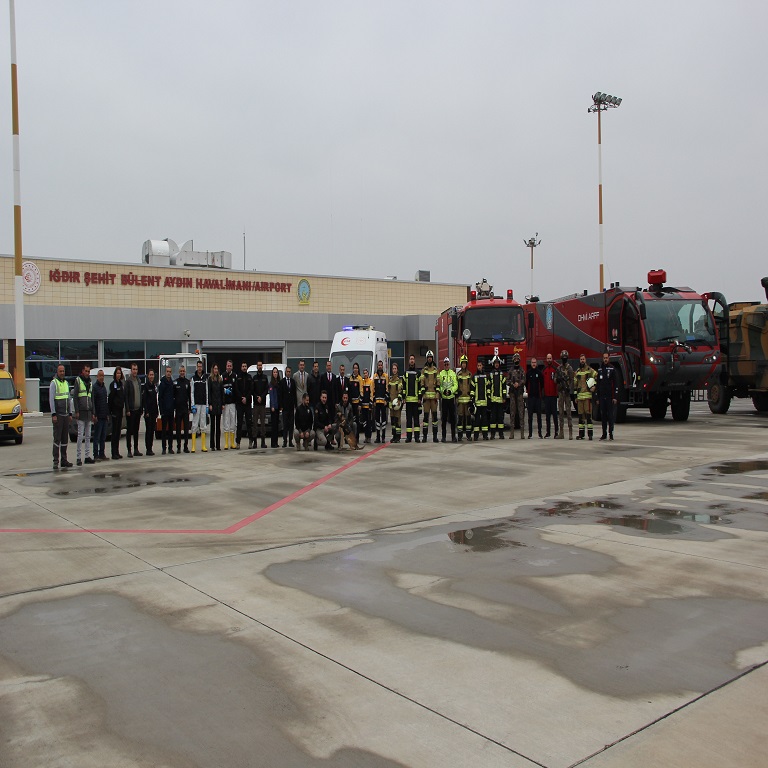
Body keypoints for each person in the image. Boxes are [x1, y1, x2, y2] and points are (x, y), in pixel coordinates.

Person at [50, 363, 74, 470]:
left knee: (65, 439)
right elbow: (51, 400)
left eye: (63, 371)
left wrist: (70, 413)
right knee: (57, 439)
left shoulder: (66, 383)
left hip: (65, 415)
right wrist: (53, 414)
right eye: (60, 371)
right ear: (57, 372)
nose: (62, 373)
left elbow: (68, 399)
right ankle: (56, 461)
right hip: (58, 415)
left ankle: (64, 460)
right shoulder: (54, 383)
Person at [74, 363, 96, 465]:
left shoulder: (90, 382)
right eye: (86, 371)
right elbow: (75, 397)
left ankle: (87, 456)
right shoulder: (78, 381)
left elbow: (91, 398)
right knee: (80, 436)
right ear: (82, 371)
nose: (87, 373)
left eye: (88, 371)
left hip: (88, 412)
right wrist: (77, 411)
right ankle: (78, 457)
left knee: (88, 436)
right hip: (81, 412)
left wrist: (93, 412)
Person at [574, 353, 598, 440]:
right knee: (580, 417)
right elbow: (575, 385)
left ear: (585, 360)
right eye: (581, 359)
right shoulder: (577, 372)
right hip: (580, 398)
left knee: (588, 416)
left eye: (583, 359)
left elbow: (597, 375)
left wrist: (594, 385)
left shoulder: (589, 370)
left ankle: (590, 434)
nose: (582, 361)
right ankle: (581, 434)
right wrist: (575, 397)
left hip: (587, 398)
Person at [596, 351, 619, 441]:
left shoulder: (612, 369)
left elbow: (616, 384)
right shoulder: (600, 370)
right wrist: (597, 398)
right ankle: (604, 434)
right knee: (603, 416)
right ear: (602, 358)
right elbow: (598, 385)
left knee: (610, 416)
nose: (605, 359)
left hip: (610, 397)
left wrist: (615, 397)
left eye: (606, 358)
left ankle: (611, 433)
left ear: (609, 359)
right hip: (602, 397)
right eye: (604, 358)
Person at [420, 350, 439, 443]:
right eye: (428, 357)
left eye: (431, 357)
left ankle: (435, 436)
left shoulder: (436, 370)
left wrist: (437, 394)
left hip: (434, 399)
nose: (430, 359)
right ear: (426, 358)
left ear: (432, 358)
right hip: (426, 399)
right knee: (426, 418)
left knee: (435, 418)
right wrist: (423, 395)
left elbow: (438, 383)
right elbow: (422, 383)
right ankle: (424, 436)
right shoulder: (424, 370)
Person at [124, 362, 143, 457]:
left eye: (136, 369)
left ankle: (136, 449)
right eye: (133, 369)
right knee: (129, 431)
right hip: (130, 411)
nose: (135, 371)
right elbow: (126, 397)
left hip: (137, 410)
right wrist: (127, 409)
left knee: (136, 431)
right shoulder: (128, 381)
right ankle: (129, 450)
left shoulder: (139, 381)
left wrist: (141, 408)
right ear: (131, 370)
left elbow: (140, 394)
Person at [555, 349, 575, 440]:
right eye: (563, 358)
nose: (564, 359)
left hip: (566, 394)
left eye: (565, 358)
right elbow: (555, 379)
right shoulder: (559, 369)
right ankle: (561, 432)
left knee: (569, 413)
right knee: (561, 413)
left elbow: (572, 380)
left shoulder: (569, 368)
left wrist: (569, 389)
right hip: (560, 393)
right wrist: (558, 380)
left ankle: (570, 433)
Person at [190, 359, 209, 453]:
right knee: (194, 425)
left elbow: (207, 392)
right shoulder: (193, 378)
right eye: (198, 366)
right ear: (196, 367)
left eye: (201, 366)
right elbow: (192, 392)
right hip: (196, 405)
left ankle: (203, 446)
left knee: (203, 425)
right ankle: (193, 446)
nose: (200, 368)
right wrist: (192, 405)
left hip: (203, 405)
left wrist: (207, 405)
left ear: (202, 367)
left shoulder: (205, 378)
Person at [437, 356, 458, 442]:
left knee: (453, 419)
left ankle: (453, 436)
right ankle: (443, 436)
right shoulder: (441, 374)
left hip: (451, 398)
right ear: (443, 365)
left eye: (447, 364)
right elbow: (439, 385)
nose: (446, 365)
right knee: (444, 419)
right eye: (445, 364)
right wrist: (443, 391)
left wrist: (450, 391)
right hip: (444, 399)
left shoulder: (453, 373)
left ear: (449, 364)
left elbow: (455, 385)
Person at [234, 362, 254, 449]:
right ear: (241, 367)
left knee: (249, 423)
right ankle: (238, 442)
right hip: (240, 403)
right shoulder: (238, 377)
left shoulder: (250, 377)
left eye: (245, 366)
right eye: (243, 366)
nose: (244, 368)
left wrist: (246, 398)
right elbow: (236, 389)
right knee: (239, 423)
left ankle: (250, 441)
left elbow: (251, 389)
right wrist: (241, 398)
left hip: (248, 403)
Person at [403, 355, 421, 443]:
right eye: (410, 359)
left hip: (416, 400)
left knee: (416, 420)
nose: (412, 361)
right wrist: (403, 398)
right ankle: (409, 437)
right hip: (408, 401)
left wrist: (420, 398)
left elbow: (420, 387)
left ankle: (417, 437)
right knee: (409, 420)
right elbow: (403, 387)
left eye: (413, 359)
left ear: (414, 360)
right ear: (409, 361)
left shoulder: (418, 373)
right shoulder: (405, 373)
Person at [108, 365, 126, 459]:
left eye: (120, 373)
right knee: (114, 432)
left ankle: (117, 451)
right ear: (115, 374)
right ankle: (113, 452)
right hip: (115, 411)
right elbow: (111, 398)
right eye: (117, 373)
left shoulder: (120, 384)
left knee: (118, 432)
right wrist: (110, 410)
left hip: (120, 410)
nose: (118, 375)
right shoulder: (113, 384)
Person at [174, 365, 192, 453]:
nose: (182, 372)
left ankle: (185, 446)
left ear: (185, 372)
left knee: (186, 429)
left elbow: (189, 396)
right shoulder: (175, 383)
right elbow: (173, 396)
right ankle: (178, 446)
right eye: (180, 371)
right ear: (179, 372)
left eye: (183, 371)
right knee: (178, 429)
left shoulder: (187, 382)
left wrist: (190, 408)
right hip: (178, 410)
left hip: (185, 409)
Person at [158, 365, 176, 454]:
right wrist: (161, 411)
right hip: (164, 411)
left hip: (171, 410)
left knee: (170, 430)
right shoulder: (162, 383)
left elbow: (173, 397)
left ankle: (170, 447)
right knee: (164, 431)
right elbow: (160, 398)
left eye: (170, 372)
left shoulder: (172, 383)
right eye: (167, 371)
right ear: (165, 373)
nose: (168, 373)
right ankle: (164, 448)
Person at [92, 368, 110, 461]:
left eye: (103, 376)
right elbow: (93, 402)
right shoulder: (95, 387)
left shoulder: (104, 387)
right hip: (98, 416)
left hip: (104, 415)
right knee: (97, 437)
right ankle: (95, 455)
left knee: (103, 437)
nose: (102, 377)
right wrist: (94, 414)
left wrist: (107, 413)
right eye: (100, 376)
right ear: (97, 377)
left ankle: (102, 453)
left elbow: (105, 402)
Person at [507, 353, 526, 439]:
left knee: (521, 412)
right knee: (512, 412)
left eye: (517, 359)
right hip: (512, 393)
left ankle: (522, 433)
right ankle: (512, 433)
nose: (516, 360)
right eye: (515, 359)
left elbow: (524, 380)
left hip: (519, 394)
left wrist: (519, 384)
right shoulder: (510, 371)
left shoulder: (522, 370)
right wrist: (512, 384)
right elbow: (507, 381)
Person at [456, 355, 474, 441]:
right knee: (460, 418)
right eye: (462, 363)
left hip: (467, 400)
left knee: (468, 419)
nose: (464, 365)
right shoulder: (458, 374)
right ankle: (459, 435)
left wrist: (471, 399)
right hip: (460, 400)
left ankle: (468, 435)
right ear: (461, 364)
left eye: (465, 363)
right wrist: (456, 398)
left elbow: (471, 387)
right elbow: (456, 387)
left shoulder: (469, 374)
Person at [526, 357, 544, 439]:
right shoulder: (528, 373)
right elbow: (526, 384)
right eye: (532, 362)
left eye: (535, 362)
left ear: (536, 363)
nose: (533, 364)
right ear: (531, 363)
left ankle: (540, 433)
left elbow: (542, 384)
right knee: (530, 417)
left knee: (539, 416)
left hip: (537, 398)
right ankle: (530, 434)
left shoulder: (539, 373)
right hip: (530, 398)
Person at [488, 356, 506, 439]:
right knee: (493, 418)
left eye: (498, 363)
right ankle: (492, 434)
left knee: (500, 418)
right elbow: (488, 387)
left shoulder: (502, 374)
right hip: (493, 400)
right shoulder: (490, 375)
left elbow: (504, 387)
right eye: (495, 363)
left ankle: (501, 434)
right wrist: (489, 397)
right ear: (493, 364)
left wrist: (504, 397)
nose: (496, 365)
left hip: (500, 400)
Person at [252, 361, 269, 448]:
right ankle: (255, 442)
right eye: (258, 365)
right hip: (255, 404)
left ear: (262, 366)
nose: (259, 366)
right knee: (254, 423)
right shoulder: (254, 378)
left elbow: (266, 389)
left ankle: (263, 442)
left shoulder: (265, 378)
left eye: (260, 365)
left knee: (263, 424)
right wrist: (256, 397)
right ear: (257, 366)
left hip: (262, 404)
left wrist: (261, 397)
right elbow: (252, 390)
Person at [142, 368, 159, 456]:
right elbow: (144, 400)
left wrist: (157, 411)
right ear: (148, 376)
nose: (151, 376)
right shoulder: (146, 386)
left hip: (154, 412)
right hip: (148, 413)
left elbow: (155, 400)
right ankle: (148, 449)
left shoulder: (154, 386)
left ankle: (151, 448)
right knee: (148, 431)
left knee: (152, 431)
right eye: (150, 375)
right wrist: (146, 411)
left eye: (153, 375)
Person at [542, 353, 559, 438]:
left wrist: (557, 393)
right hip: (546, 396)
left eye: (550, 358)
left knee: (555, 415)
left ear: (552, 359)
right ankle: (548, 432)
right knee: (547, 416)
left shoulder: (555, 370)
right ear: (546, 359)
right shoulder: (544, 370)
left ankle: (556, 432)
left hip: (553, 396)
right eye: (547, 358)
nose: (549, 360)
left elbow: (557, 383)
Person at [221, 359, 237, 449]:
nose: (229, 367)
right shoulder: (222, 376)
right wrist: (224, 390)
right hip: (226, 403)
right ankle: (226, 443)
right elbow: (219, 387)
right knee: (226, 422)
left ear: (232, 367)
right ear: (226, 366)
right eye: (228, 365)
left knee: (233, 423)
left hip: (233, 403)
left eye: (230, 366)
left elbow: (237, 388)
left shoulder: (235, 375)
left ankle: (232, 443)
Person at [208, 364, 224, 450]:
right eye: (214, 369)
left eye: (217, 369)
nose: (216, 370)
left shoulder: (220, 380)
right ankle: (212, 445)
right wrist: (210, 404)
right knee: (212, 426)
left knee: (218, 426)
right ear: (212, 370)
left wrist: (222, 403)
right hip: (212, 405)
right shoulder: (210, 379)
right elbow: (209, 392)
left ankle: (218, 445)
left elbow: (222, 393)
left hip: (219, 404)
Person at [372, 360, 389, 443]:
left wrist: (386, 399)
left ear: (382, 366)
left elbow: (387, 389)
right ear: (377, 366)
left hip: (383, 402)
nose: (380, 366)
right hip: (377, 402)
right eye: (378, 365)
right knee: (377, 420)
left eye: (381, 365)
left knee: (384, 420)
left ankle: (383, 437)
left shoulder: (385, 376)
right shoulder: (374, 377)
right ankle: (378, 437)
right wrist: (374, 400)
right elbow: (373, 389)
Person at [473, 360, 489, 440]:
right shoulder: (474, 376)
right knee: (477, 420)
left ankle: (485, 435)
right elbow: (472, 389)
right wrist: (472, 400)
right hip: (477, 402)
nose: (479, 367)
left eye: (480, 365)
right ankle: (476, 436)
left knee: (484, 420)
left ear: (482, 366)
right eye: (478, 365)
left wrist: (488, 398)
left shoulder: (486, 376)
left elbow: (488, 387)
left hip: (484, 402)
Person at [279, 365, 295, 447]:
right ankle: (285, 441)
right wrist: (281, 405)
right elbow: (280, 394)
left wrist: (295, 405)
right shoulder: (282, 382)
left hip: (291, 407)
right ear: (285, 372)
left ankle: (290, 441)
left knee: (291, 425)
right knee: (285, 425)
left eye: (289, 372)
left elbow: (294, 394)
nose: (288, 373)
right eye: (287, 372)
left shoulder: (293, 381)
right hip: (284, 408)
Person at [388, 362, 403, 443]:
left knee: (397, 420)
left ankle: (398, 436)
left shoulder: (399, 380)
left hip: (397, 403)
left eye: (395, 369)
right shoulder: (390, 380)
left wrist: (399, 400)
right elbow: (389, 392)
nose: (394, 370)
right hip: (391, 404)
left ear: (397, 370)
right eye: (393, 369)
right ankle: (394, 436)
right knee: (393, 421)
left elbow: (400, 391)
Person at [348, 362, 363, 437]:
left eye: (357, 368)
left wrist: (360, 404)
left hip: (357, 403)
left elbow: (361, 391)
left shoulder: (360, 378)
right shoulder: (350, 378)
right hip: (351, 402)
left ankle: (357, 437)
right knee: (351, 420)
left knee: (357, 420)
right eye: (354, 368)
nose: (355, 369)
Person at [359, 368, 374, 443]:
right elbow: (361, 392)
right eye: (364, 373)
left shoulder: (370, 382)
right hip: (363, 406)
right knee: (364, 422)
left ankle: (369, 437)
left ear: (368, 374)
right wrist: (360, 402)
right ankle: (365, 437)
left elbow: (371, 393)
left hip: (368, 406)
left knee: (369, 422)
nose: (365, 374)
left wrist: (371, 403)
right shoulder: (362, 382)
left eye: (366, 373)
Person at [268, 366, 281, 447]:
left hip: (278, 407)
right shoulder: (271, 384)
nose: (275, 373)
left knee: (277, 426)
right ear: (272, 374)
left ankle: (276, 442)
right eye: (274, 372)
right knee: (273, 426)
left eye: (276, 372)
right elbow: (271, 396)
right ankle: (273, 443)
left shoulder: (279, 383)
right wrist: (272, 406)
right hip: (273, 407)